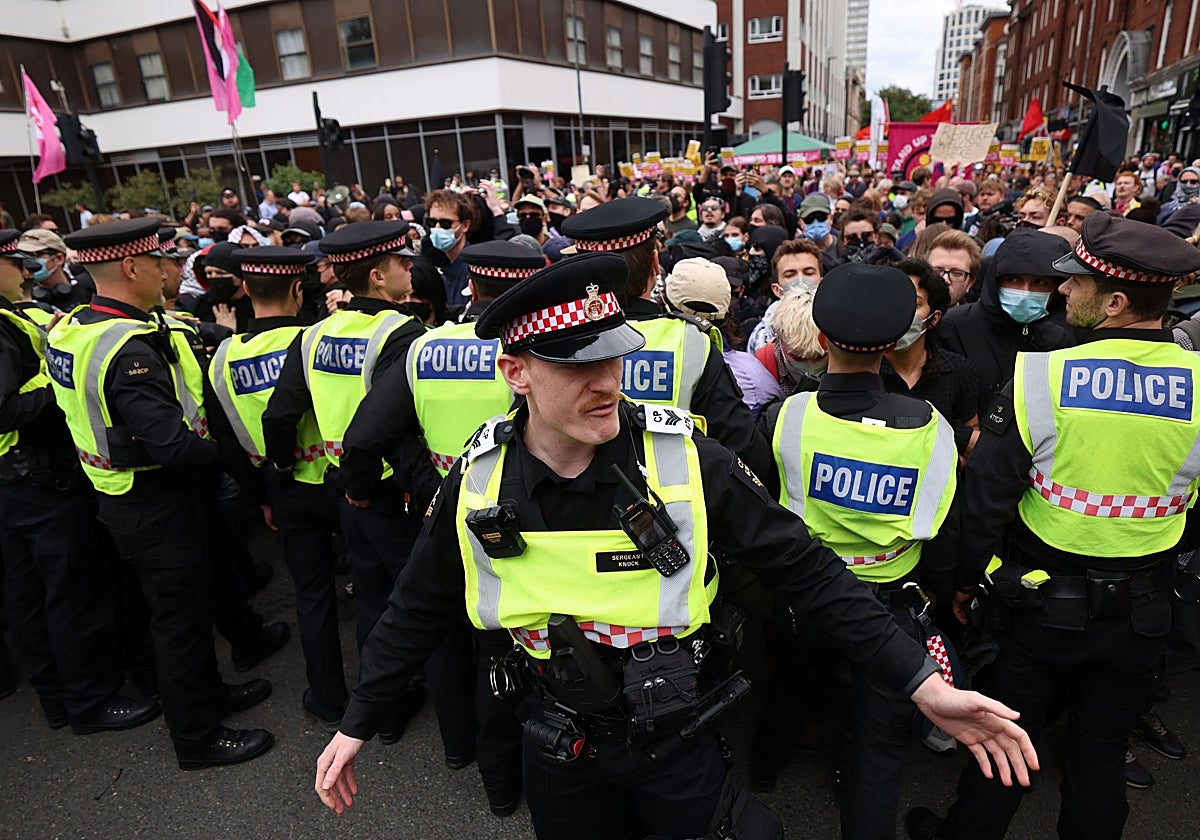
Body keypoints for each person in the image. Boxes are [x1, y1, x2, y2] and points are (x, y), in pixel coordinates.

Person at [313, 251, 1038, 839]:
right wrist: (358, 721)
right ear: (516, 373)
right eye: (577, 365)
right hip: (559, 746)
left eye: (615, 358)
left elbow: (808, 572)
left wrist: (923, 681)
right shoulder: (478, 479)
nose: (607, 385)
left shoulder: (688, 458)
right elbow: (416, 604)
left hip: (677, 739)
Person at [905, 213, 1200, 840]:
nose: (1063, 291)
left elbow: (989, 497)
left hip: (1040, 605)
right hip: (1145, 609)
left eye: (1079, 283)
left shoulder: (1043, 377)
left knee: (1005, 741)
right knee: (1099, 753)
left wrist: (963, 583)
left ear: (1116, 302)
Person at [45, 218, 275, 770]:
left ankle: (210, 694)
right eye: (158, 262)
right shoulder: (128, 350)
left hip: (122, 498)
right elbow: (173, 445)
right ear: (131, 267)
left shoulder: (77, 326)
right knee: (180, 625)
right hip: (157, 502)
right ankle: (196, 737)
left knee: (184, 612)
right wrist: (226, 450)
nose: (168, 271)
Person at [339, 240, 545, 815]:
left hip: (447, 512)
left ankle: (475, 762)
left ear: (471, 287)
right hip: (526, 518)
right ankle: (536, 769)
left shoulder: (426, 347)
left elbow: (363, 437)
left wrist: (389, 485)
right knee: (519, 644)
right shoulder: (538, 351)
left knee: (451, 634)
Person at [759, 263, 959, 838]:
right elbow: (945, 527)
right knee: (880, 745)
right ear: (898, 342)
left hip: (808, 596)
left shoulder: (786, 416)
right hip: (892, 605)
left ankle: (766, 770)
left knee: (792, 685)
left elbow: (764, 508)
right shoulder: (931, 428)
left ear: (820, 341)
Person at [262, 219, 450, 749]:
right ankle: (440, 716)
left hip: (342, 490)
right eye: (401, 263)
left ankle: (381, 711)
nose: (409, 269)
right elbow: (392, 428)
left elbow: (280, 417)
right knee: (417, 603)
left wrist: (281, 475)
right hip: (389, 493)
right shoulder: (402, 333)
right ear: (377, 274)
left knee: (371, 601)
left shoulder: (314, 334)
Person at [0, 229, 160, 735]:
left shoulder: (17, 318)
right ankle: (91, 700)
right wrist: (66, 379)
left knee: (31, 592)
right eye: (13, 262)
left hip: (21, 482)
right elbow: (6, 409)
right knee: (71, 591)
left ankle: (59, 697)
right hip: (36, 481)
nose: (24, 271)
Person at [208, 246, 348, 732]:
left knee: (311, 595)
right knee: (374, 585)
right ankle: (387, 694)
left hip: (282, 490)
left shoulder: (223, 357)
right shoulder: (317, 342)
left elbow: (226, 443)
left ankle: (328, 697)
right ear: (297, 289)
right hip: (336, 479)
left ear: (246, 290)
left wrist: (262, 495)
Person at [561, 197, 773, 476]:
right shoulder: (692, 341)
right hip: (674, 511)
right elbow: (747, 453)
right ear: (655, 263)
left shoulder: (556, 343)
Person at [937, 228, 1071, 419]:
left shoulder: (1057, 339)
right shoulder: (953, 327)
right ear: (996, 279)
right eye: (1013, 280)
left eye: (1039, 282)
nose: (1025, 292)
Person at [881, 258, 980, 457]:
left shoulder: (958, 371)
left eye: (914, 304)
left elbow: (973, 444)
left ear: (934, 318)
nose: (901, 312)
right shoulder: (865, 365)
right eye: (894, 300)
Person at [17, 228, 93, 312]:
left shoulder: (90, 286)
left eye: (34, 255)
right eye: (23, 256)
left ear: (59, 258)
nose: (28, 262)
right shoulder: (24, 300)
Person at [926, 230, 982, 307]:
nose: (945, 279)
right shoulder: (905, 315)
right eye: (937, 271)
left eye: (956, 273)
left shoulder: (977, 318)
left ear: (970, 283)